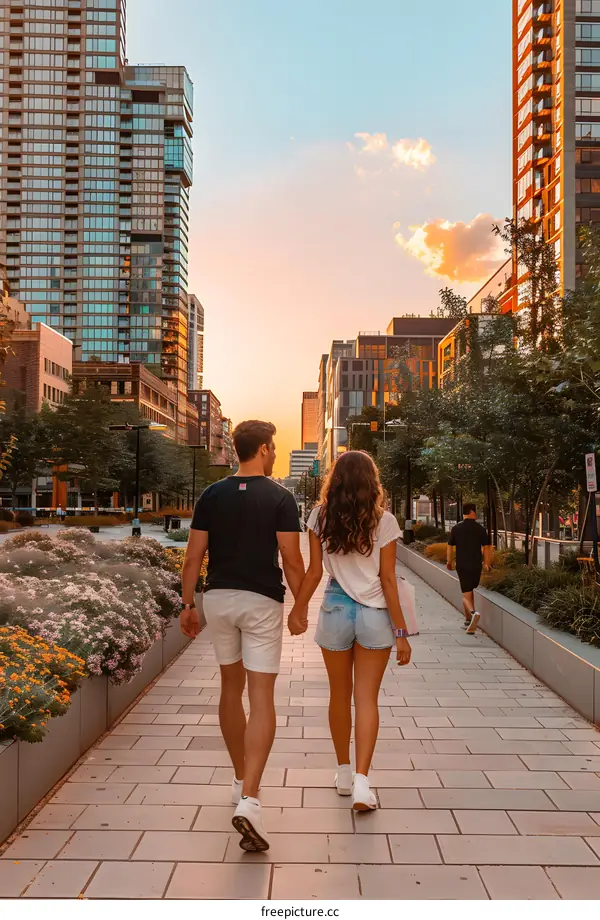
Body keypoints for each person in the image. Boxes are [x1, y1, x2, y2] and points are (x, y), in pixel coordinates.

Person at [180, 420, 306, 852]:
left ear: (236, 450)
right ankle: (251, 798)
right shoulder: (280, 497)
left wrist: (186, 605)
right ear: (266, 448)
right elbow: (291, 559)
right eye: (274, 447)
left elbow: (193, 556)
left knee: (229, 688)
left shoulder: (211, 495)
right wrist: (302, 605)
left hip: (218, 599)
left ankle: (238, 779)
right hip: (261, 602)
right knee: (263, 697)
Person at [288, 451, 412, 812]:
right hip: (375, 614)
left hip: (335, 609)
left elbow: (313, 572)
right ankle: (362, 782)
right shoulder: (384, 521)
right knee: (367, 699)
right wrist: (401, 633)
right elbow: (388, 581)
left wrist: (298, 611)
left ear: (336, 480)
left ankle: (342, 772)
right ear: (371, 482)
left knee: (339, 695)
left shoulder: (319, 516)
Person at [446, 503, 493, 634]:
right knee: (470, 590)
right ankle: (468, 622)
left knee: (465, 595)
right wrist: (486, 562)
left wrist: (449, 562)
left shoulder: (456, 528)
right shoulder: (480, 529)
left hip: (462, 565)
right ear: (472, 512)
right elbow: (487, 547)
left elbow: (450, 546)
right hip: (476, 565)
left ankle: (473, 613)